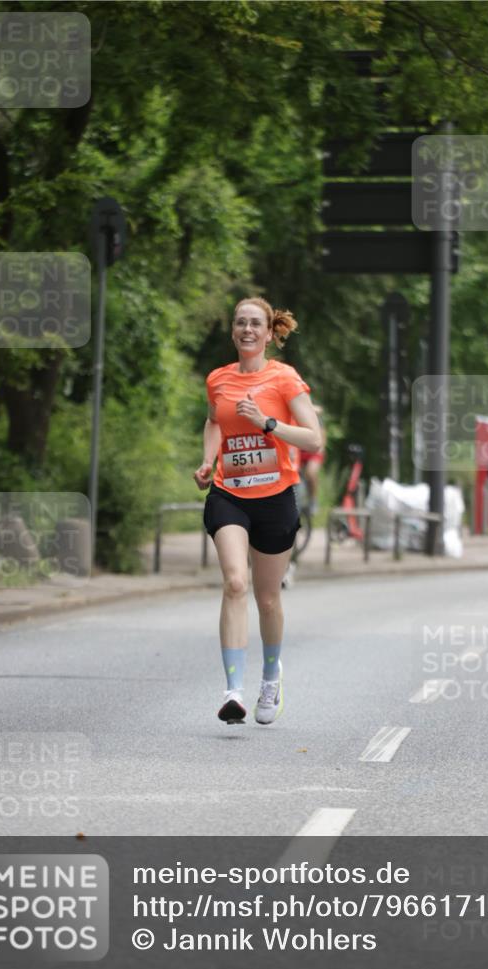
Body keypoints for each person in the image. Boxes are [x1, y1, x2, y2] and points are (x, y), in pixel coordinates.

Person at [193, 297, 322, 725]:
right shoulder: (219, 379)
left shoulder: (284, 380)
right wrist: (208, 460)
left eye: (255, 324)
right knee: (234, 583)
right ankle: (233, 691)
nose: (246, 330)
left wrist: (267, 422)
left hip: (275, 498)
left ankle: (271, 676)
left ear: (269, 334)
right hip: (229, 493)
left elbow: (313, 439)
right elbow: (214, 421)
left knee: (267, 598)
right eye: (239, 323)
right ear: (233, 332)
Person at [298, 404, 327, 515]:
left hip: (314, 452)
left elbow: (320, 409)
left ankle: (313, 500)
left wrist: (320, 448)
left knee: (311, 472)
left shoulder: (314, 416)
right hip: (299, 452)